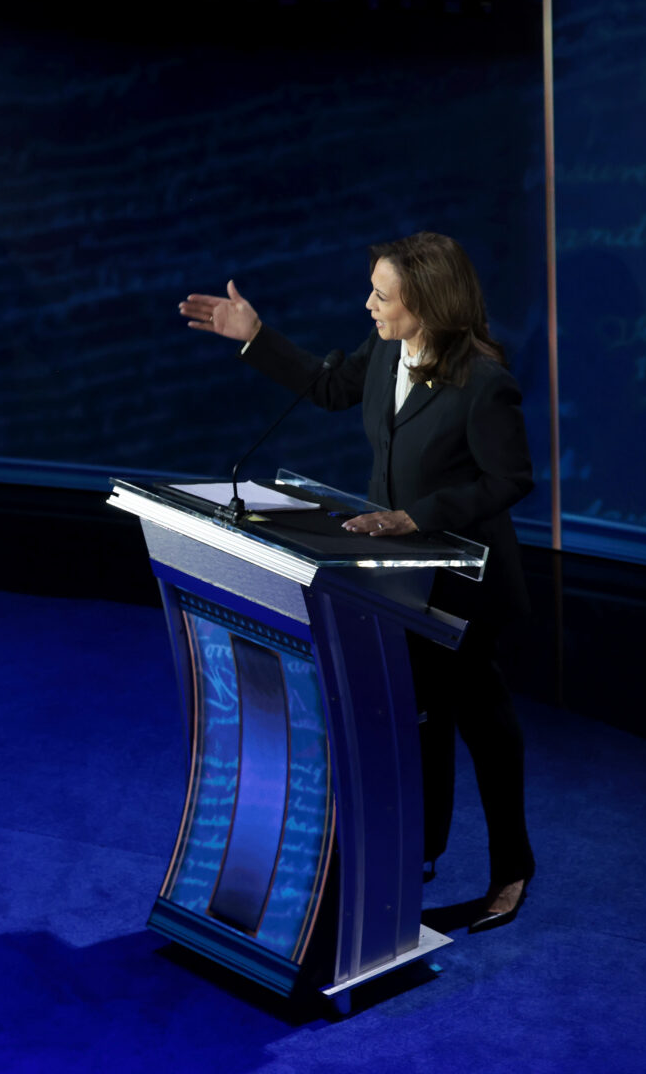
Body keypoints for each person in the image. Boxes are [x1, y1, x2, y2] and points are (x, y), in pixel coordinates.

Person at [179, 231, 535, 931]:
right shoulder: (382, 353)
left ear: (426, 302)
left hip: (463, 584)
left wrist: (417, 517)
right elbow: (327, 385)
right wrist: (255, 337)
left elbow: (510, 480)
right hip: (395, 581)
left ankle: (512, 869)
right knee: (414, 717)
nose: (367, 304)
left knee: (484, 728)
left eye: (381, 294)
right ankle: (419, 851)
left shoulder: (484, 383)